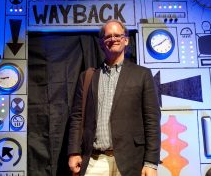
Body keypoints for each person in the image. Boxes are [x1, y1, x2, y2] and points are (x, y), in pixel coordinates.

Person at [68, 19, 161, 176]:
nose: (113, 39)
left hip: (131, 161)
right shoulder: (88, 77)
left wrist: (151, 162)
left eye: (118, 35)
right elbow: (77, 118)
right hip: (95, 161)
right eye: (108, 36)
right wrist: (73, 152)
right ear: (102, 43)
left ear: (126, 40)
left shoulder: (142, 75)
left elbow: (152, 120)